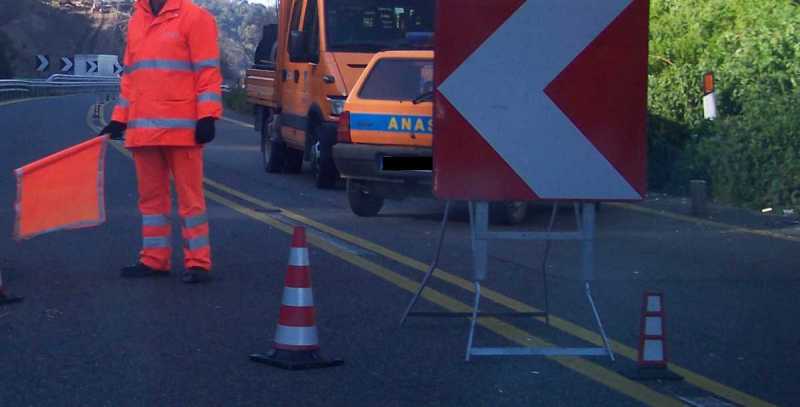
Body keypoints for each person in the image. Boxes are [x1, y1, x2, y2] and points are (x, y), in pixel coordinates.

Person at [99, 0, 222, 283]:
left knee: (190, 200)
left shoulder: (196, 18)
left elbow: (207, 73)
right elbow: (130, 78)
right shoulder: (136, 21)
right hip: (143, 130)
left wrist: (207, 115)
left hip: (183, 130)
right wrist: (119, 118)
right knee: (151, 201)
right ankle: (154, 259)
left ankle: (198, 263)